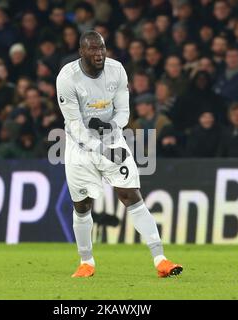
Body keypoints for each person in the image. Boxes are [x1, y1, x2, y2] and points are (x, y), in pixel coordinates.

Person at [56, 30, 182, 278]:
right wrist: (102, 150)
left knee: (131, 195)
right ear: (81, 52)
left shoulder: (117, 70)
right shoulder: (67, 78)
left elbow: (124, 111)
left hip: (111, 138)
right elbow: (74, 126)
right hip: (79, 147)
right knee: (82, 206)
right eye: (92, 49)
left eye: (102, 48)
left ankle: (161, 259)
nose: (99, 53)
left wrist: (112, 128)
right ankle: (86, 262)